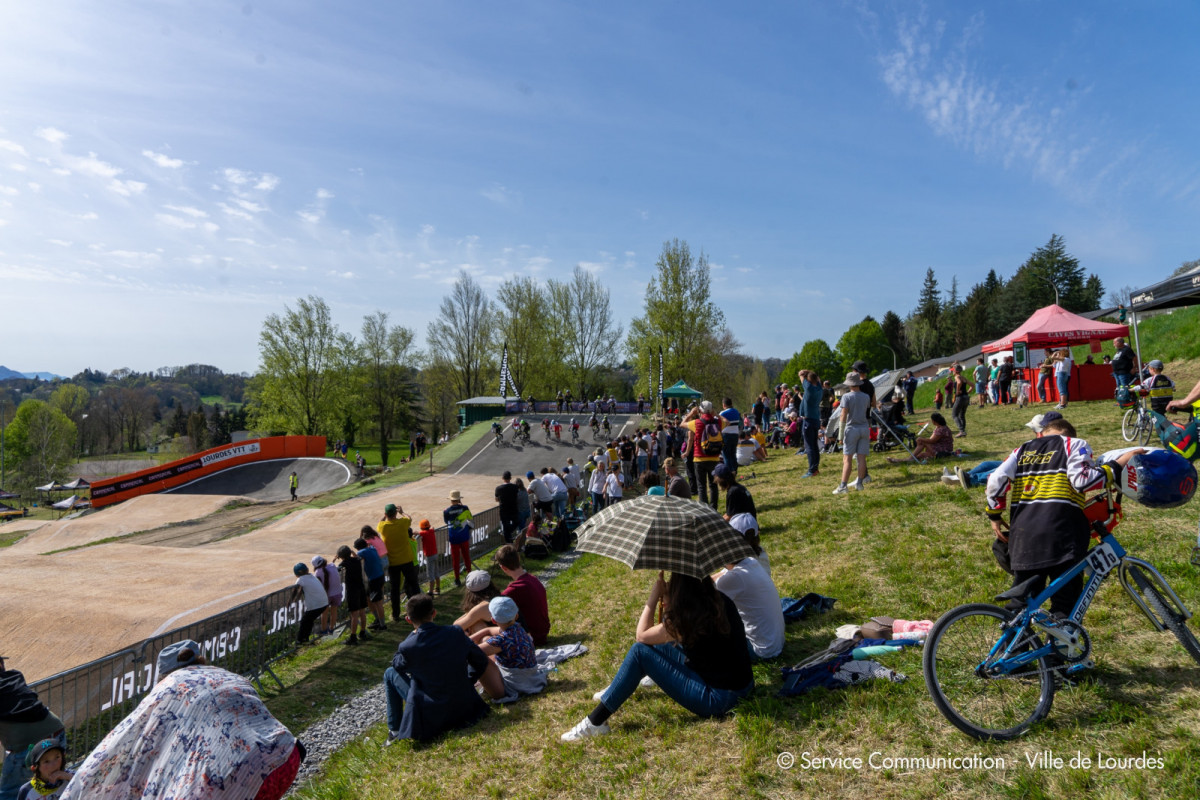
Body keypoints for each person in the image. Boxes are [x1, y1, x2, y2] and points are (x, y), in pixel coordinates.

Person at [63, 640, 299, 800]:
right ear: (200, 659)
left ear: (163, 673)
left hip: (234, 777)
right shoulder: (226, 675)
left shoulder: (170, 687)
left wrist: (79, 786)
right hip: (286, 756)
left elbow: (125, 739)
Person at [561, 573, 754, 741]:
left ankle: (595, 722)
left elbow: (642, 635)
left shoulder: (688, 616)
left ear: (680, 589)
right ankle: (615, 689)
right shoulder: (719, 599)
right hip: (743, 686)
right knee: (656, 646)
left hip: (720, 699)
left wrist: (654, 595)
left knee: (640, 653)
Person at [985, 416, 1142, 616]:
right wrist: (1118, 464)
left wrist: (994, 515)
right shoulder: (1074, 444)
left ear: (1042, 433)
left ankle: (1014, 645)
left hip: (1023, 535)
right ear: (1069, 434)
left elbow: (995, 480)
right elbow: (1082, 481)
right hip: (1062, 534)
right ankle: (1058, 643)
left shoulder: (1022, 449)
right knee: (1065, 602)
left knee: (1022, 603)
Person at [383, 594, 502, 745]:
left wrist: (411, 637)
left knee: (389, 673)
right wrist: (467, 681)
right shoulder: (455, 633)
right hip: (466, 709)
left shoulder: (408, 646)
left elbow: (397, 664)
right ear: (434, 613)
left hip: (432, 717)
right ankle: (394, 730)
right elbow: (479, 660)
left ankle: (394, 730)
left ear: (408, 619)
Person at [0, 658, 64, 800]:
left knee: (8, 795)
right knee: (50, 786)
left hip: (28, 747)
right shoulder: (15, 675)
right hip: (56, 733)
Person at [714, 552, 784, 661]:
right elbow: (723, 574)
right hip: (774, 643)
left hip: (761, 650)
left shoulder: (734, 577)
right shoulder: (751, 562)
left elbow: (707, 596)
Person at [494, 544, 550, 646]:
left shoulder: (514, 589)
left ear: (503, 568)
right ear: (518, 558)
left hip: (533, 637)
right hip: (542, 632)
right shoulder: (532, 578)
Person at [378, 502, 419, 621]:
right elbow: (409, 518)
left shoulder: (383, 527)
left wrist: (385, 515)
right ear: (396, 513)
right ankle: (420, 609)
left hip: (393, 563)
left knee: (394, 589)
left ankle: (396, 614)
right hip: (407, 559)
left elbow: (379, 523)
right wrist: (402, 512)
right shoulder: (403, 523)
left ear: (386, 514)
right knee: (414, 585)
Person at [833, 371, 871, 495]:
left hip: (852, 428)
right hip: (864, 428)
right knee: (861, 458)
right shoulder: (866, 396)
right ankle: (859, 483)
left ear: (849, 384)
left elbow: (843, 415)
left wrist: (840, 434)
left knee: (847, 459)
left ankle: (843, 485)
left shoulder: (846, 397)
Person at [688, 400, 725, 509]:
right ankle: (714, 509)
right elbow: (727, 422)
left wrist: (691, 414)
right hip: (714, 458)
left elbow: (682, 423)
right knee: (713, 485)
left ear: (700, 410)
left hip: (699, 458)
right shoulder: (717, 422)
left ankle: (705, 510)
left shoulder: (697, 423)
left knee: (701, 486)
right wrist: (716, 414)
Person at [336, 545, 370, 646]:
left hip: (352, 590)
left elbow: (336, 569)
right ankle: (363, 632)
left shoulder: (344, 563)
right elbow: (356, 556)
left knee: (354, 615)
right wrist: (352, 552)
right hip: (361, 588)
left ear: (341, 556)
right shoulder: (357, 560)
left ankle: (353, 637)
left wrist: (334, 560)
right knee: (362, 611)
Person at [889, 412, 954, 463]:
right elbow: (931, 439)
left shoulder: (941, 429)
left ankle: (908, 459)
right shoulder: (941, 427)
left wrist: (921, 439)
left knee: (922, 442)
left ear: (934, 421)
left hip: (943, 451)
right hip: (941, 449)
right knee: (919, 456)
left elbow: (932, 441)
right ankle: (902, 460)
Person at [291, 562, 329, 645]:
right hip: (324, 603)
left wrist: (290, 601)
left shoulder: (301, 579)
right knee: (309, 620)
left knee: (304, 621)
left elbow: (295, 590)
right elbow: (301, 589)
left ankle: (299, 641)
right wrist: (297, 598)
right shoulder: (312, 576)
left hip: (317, 605)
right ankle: (306, 639)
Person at [355, 535, 388, 630]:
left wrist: (354, 553)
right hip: (378, 576)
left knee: (378, 602)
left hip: (375, 579)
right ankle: (378, 620)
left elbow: (356, 556)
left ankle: (382, 625)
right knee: (369, 599)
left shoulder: (362, 552)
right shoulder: (372, 548)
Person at [443, 490, 474, 587]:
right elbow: (470, 517)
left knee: (455, 560)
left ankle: (457, 579)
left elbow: (446, 521)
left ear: (451, 500)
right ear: (459, 499)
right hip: (464, 536)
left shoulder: (446, 511)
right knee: (466, 557)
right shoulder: (465, 508)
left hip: (454, 538)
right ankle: (470, 575)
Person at [797, 370, 822, 478]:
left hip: (808, 420)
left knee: (809, 446)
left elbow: (800, 375)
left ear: (809, 380)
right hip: (816, 419)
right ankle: (815, 468)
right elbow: (817, 379)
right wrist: (811, 372)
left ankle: (812, 470)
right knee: (814, 445)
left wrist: (804, 373)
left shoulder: (809, 388)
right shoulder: (820, 388)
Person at [311, 555, 342, 636]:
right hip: (337, 593)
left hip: (326, 595)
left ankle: (324, 630)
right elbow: (330, 565)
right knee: (334, 612)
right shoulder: (332, 566)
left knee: (324, 613)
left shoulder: (317, 572)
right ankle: (331, 629)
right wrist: (334, 559)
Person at [414, 519, 441, 596]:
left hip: (430, 557)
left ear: (421, 528)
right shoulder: (431, 531)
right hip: (435, 554)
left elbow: (416, 532)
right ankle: (438, 588)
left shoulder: (424, 533)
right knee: (436, 572)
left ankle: (431, 592)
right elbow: (432, 527)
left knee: (430, 575)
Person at [719, 398, 742, 478]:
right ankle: (735, 470)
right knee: (733, 454)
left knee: (726, 455)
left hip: (726, 435)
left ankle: (729, 473)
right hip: (735, 434)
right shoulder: (736, 412)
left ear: (724, 405)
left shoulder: (722, 413)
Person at [495, 471, 520, 542]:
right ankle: (509, 540)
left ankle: (508, 543)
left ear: (503, 478)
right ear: (510, 478)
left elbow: (496, 499)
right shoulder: (515, 487)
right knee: (515, 523)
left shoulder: (498, 488)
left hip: (504, 511)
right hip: (513, 509)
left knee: (506, 528)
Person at [951, 364, 970, 437]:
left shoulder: (957, 377)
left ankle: (961, 431)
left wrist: (957, 391)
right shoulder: (963, 377)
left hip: (960, 398)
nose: (952, 371)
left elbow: (959, 382)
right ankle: (963, 431)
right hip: (966, 397)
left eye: (953, 370)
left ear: (956, 371)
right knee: (962, 415)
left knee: (954, 414)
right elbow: (972, 385)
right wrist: (967, 392)